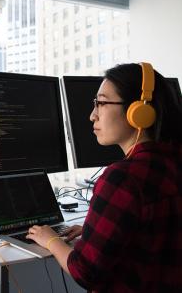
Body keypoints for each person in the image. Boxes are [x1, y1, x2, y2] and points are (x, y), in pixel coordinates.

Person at [26, 63, 182, 292]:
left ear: (139, 112)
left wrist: (51, 239)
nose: (92, 115)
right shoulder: (173, 163)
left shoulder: (123, 178)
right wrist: (94, 230)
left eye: (102, 102)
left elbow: (85, 271)